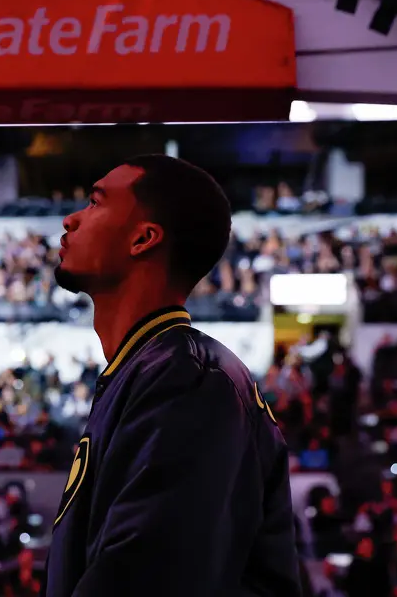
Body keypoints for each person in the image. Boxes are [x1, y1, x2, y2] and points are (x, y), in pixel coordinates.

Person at [44, 155, 301, 596]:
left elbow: (142, 578)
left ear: (143, 239)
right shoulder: (151, 368)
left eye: (93, 202)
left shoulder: (187, 380)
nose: (71, 220)